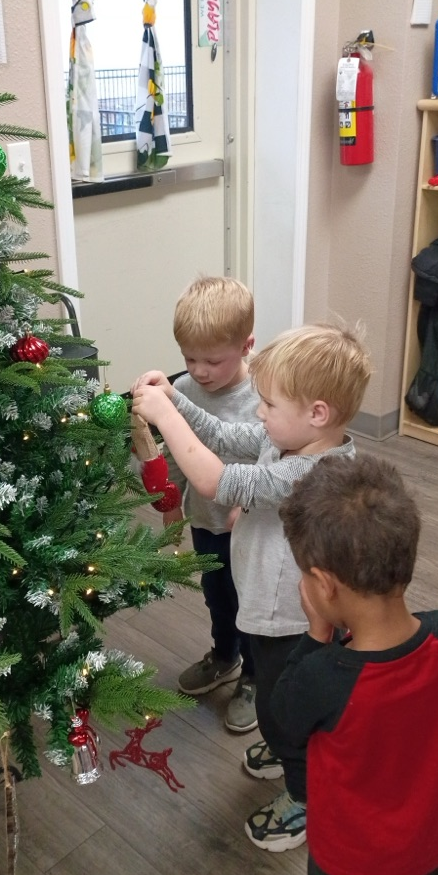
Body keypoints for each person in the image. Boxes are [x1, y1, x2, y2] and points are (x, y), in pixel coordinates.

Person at [131, 321, 372, 850]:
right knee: (275, 696)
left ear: (317, 414)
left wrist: (165, 417)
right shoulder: (286, 439)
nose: (258, 413)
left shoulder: (315, 472)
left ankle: (304, 794)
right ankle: (288, 749)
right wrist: (180, 399)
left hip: (292, 618)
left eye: (269, 405)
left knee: (283, 710)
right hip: (266, 604)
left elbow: (217, 479)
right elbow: (222, 436)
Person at [273, 454, 438, 875]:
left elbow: (283, 721)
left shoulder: (322, 676)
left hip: (347, 866)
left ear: (324, 585)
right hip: (429, 848)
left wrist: (315, 634)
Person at [162, 276, 260, 733]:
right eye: (189, 359)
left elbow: (278, 458)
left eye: (213, 361)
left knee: (253, 604)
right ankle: (226, 655)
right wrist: (169, 503)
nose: (199, 371)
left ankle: (257, 678)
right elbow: (177, 451)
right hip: (208, 521)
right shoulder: (183, 390)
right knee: (218, 596)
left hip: (254, 530)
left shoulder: (264, 395)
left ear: (246, 346)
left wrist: (253, 504)